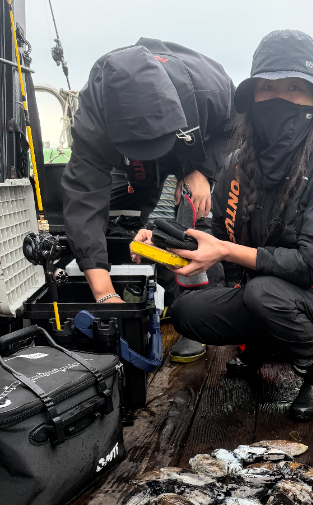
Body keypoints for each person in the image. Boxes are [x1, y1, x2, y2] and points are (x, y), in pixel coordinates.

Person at [133, 29, 313, 419]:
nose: (280, 98)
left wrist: (228, 252)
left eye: (295, 87)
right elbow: (217, 233)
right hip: (265, 295)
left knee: (264, 292)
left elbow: (310, 264)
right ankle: (259, 347)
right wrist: (165, 240)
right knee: (188, 312)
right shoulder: (237, 164)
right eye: (267, 87)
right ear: (252, 98)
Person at [62, 38, 234, 362]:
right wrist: (104, 293)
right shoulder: (93, 119)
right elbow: (84, 197)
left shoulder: (212, 89)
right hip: (133, 168)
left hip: (192, 151)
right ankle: (165, 295)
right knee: (136, 223)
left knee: (194, 221)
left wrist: (204, 171)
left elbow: (236, 127)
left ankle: (198, 317)